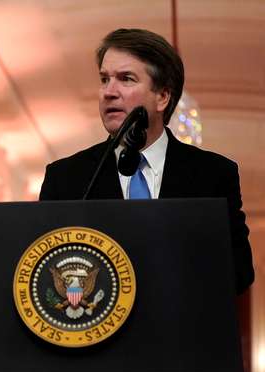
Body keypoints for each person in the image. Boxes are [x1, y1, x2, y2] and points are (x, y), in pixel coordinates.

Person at [40, 28, 254, 294]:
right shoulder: (67, 177)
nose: (109, 92)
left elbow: (239, 271)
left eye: (126, 79)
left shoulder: (214, 174)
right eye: (104, 79)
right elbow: (47, 266)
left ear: (162, 96)